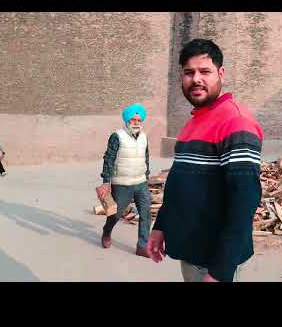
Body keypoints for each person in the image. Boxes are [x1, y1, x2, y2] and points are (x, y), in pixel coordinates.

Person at [147, 39, 264, 282]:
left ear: (220, 73)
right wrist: (160, 226)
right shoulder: (195, 121)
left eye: (205, 71)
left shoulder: (236, 123)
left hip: (212, 260)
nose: (196, 79)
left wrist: (220, 270)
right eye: (189, 72)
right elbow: (179, 184)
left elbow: (244, 203)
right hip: (192, 250)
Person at [97, 103, 152, 258]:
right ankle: (106, 232)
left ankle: (142, 246)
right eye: (133, 120)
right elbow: (109, 158)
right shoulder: (117, 136)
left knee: (146, 213)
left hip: (140, 182)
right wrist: (106, 181)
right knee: (115, 214)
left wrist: (146, 176)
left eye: (139, 120)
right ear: (127, 121)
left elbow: (146, 157)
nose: (136, 122)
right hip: (122, 183)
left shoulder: (144, 137)